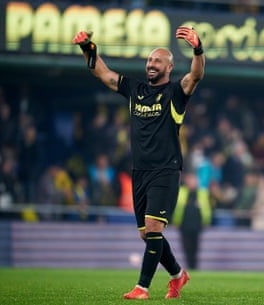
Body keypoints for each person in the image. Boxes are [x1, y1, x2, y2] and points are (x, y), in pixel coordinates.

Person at [73, 25, 205, 300]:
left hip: (165, 170)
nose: (151, 64)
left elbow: (196, 75)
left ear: (169, 67)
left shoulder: (175, 92)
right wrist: (88, 49)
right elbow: (104, 74)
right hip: (139, 171)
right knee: (147, 235)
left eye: (157, 60)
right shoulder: (134, 89)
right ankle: (178, 275)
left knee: (155, 228)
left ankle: (142, 287)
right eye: (149, 60)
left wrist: (197, 49)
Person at [172, 171, 212, 270]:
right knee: (186, 246)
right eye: (191, 180)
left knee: (195, 246)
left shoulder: (203, 193)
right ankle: (190, 265)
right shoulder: (181, 192)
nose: (193, 182)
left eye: (194, 180)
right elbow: (176, 207)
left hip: (196, 224)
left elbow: (207, 208)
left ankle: (193, 266)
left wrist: (206, 221)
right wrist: (176, 221)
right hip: (184, 223)